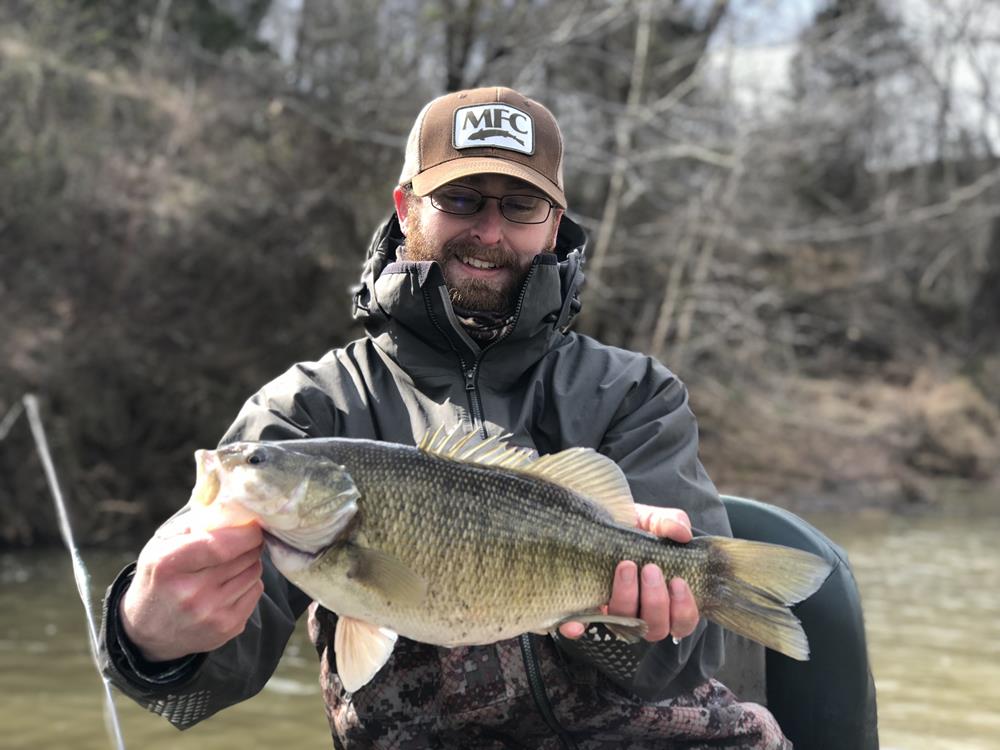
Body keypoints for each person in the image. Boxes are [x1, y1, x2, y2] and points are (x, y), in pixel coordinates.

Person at [99, 86, 789, 749]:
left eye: (520, 205)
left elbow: (687, 664)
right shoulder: (308, 412)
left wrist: (626, 618)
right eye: (458, 199)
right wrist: (150, 636)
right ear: (406, 208)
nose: (488, 230)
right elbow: (207, 683)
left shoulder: (636, 393)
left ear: (554, 225)